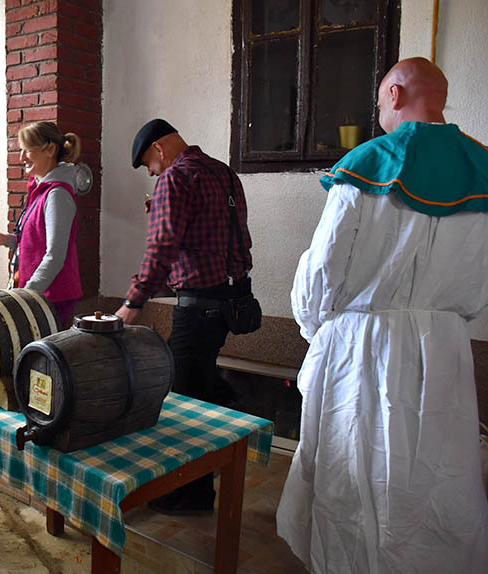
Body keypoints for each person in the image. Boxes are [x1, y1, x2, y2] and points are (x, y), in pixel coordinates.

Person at [276, 57, 488, 573]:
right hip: (443, 348)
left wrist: (313, 324)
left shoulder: (368, 163)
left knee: (356, 469)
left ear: (394, 94)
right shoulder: (482, 168)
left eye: (378, 103)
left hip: (361, 345)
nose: (380, 114)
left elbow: (325, 266)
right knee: (433, 474)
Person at [115, 119, 254, 514]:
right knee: (205, 390)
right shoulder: (223, 173)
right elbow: (235, 240)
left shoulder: (174, 180)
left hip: (197, 310)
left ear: (159, 149)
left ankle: (189, 495)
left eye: (148, 165)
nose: (151, 173)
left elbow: (161, 248)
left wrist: (133, 301)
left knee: (182, 405)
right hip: (228, 302)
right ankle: (212, 472)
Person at [0, 121, 83, 325]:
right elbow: (37, 240)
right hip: (40, 294)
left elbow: (55, 255)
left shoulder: (56, 195)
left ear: (50, 150)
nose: (21, 158)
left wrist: (27, 296)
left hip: (51, 296)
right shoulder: (41, 190)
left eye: (27, 150)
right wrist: (8, 240)